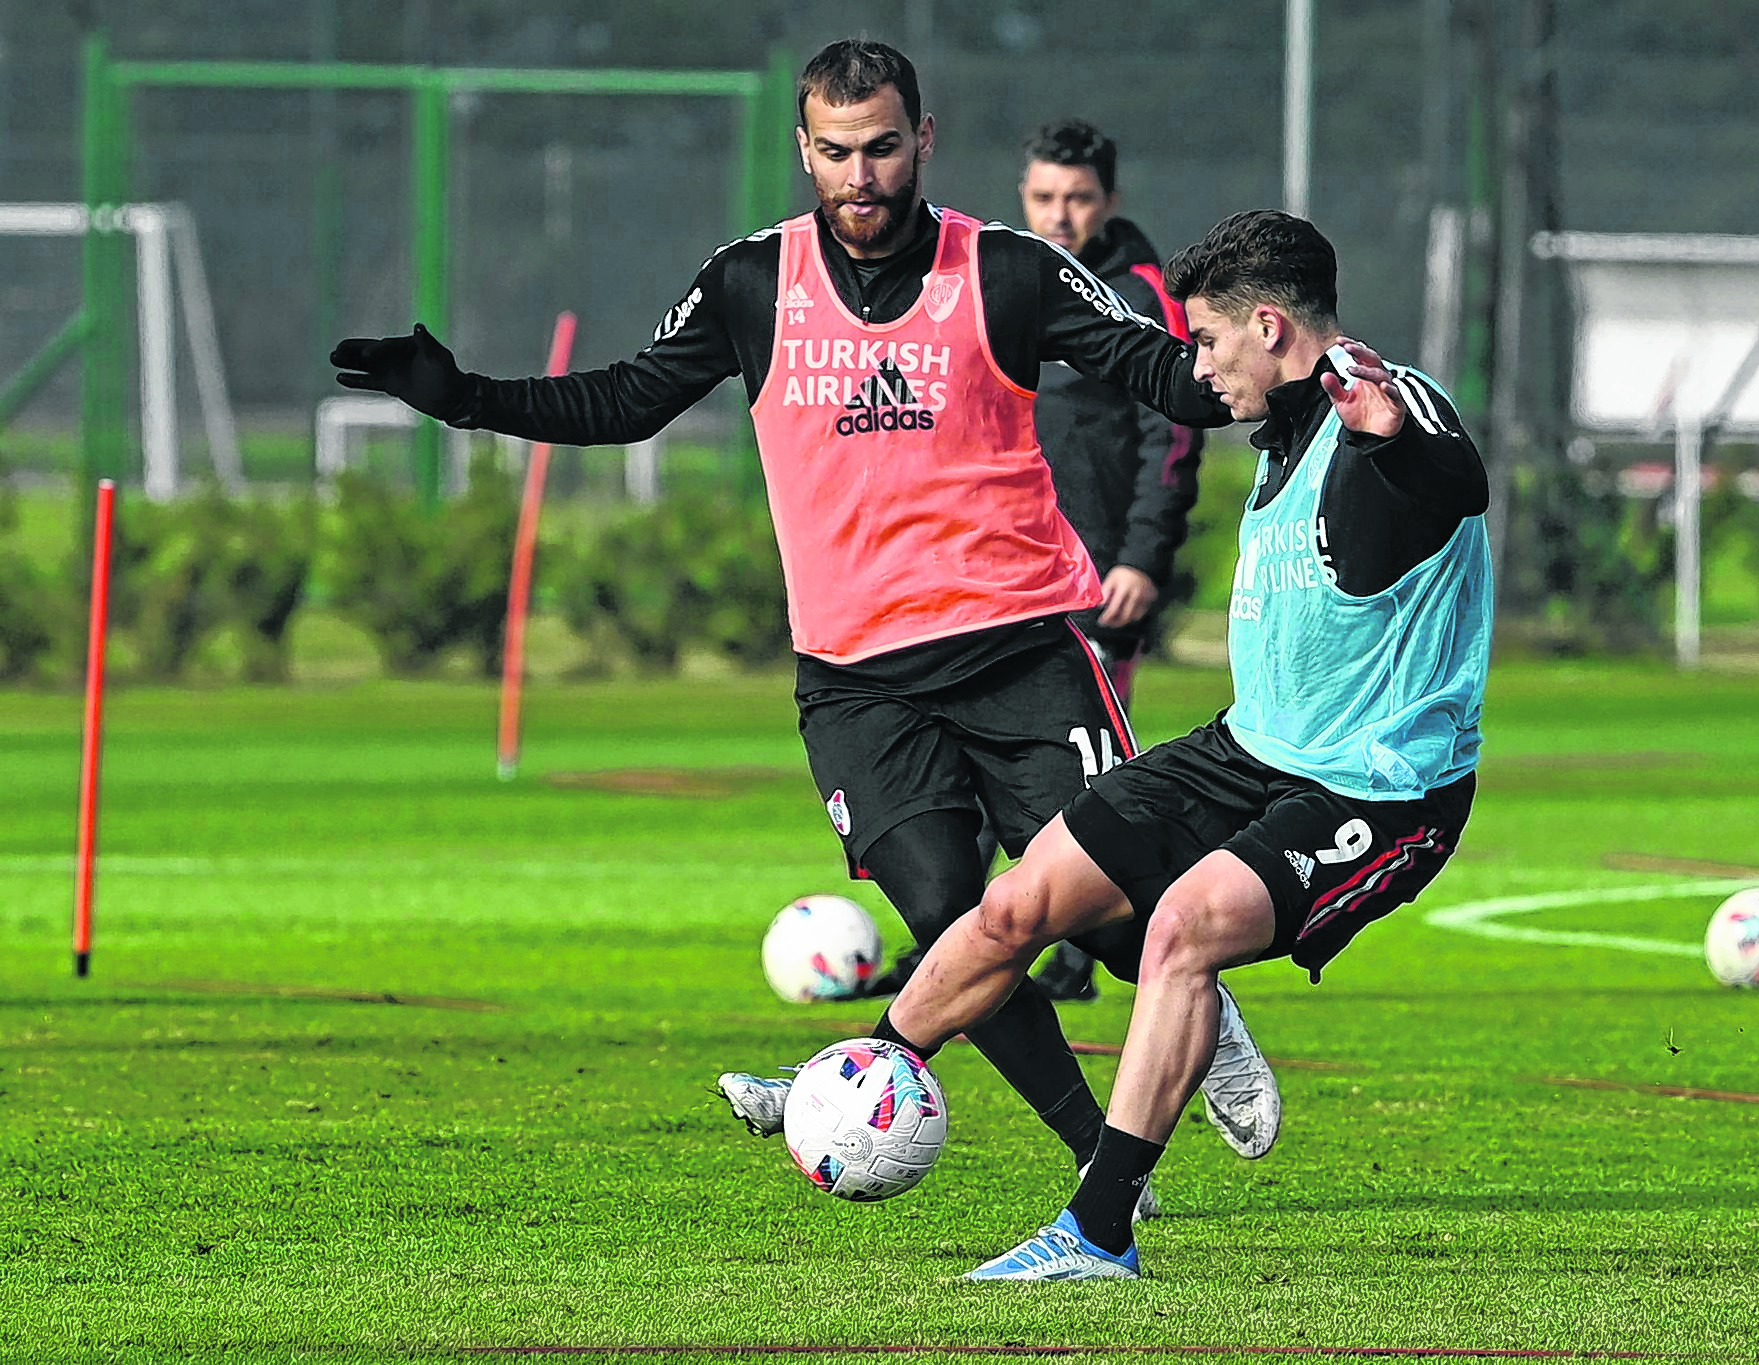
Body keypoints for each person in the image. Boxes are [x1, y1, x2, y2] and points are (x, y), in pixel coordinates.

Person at [328, 41, 1282, 1183]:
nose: (860, 174)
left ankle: (1200, 1008)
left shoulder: (1007, 271)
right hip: (857, 680)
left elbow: (1162, 374)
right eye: (834, 152)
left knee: (1104, 913)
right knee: (947, 928)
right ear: (802, 150)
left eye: (881, 147)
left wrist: (1280, 359)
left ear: (921, 140)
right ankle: (1098, 1164)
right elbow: (631, 399)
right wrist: (466, 398)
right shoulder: (749, 281)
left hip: (1019, 650)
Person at [852, 210, 1493, 1281]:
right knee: (1017, 900)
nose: (1194, 368)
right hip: (1249, 750)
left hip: (1379, 791)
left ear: (1271, 328)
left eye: (1205, 341)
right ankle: (857, 1073)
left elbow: (1448, 483)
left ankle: (1098, 1232)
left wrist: (1390, 436)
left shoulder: (1388, 404)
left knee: (1181, 930)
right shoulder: (1283, 430)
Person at [868, 117, 1205, 1007]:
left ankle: (1078, 952)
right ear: (1023, 194)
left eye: (1079, 198)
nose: (1061, 213)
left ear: (1110, 201)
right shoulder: (1000, 279)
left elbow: (1170, 439)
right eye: (1045, 196)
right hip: (996, 570)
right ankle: (954, 947)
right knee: (968, 762)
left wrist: (1141, 557)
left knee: (1080, 774)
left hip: (1095, 576)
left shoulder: (1140, 289)